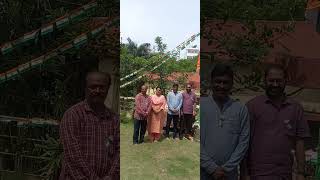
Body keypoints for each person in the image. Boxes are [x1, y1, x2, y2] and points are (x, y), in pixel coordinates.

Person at [241, 64, 311, 180]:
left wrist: (301, 172)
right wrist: (245, 173)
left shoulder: (295, 108)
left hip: (284, 174)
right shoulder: (253, 106)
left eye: (278, 81)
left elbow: (300, 142)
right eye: (271, 80)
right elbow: (244, 142)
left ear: (285, 81)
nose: (275, 84)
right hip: (257, 174)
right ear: (265, 81)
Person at [59, 71, 119, 180]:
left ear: (108, 89)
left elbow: (119, 153)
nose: (97, 91)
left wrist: (110, 176)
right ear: (85, 88)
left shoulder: (114, 120)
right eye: (93, 87)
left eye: (102, 87)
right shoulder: (73, 115)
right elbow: (73, 156)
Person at [201, 63, 250, 180]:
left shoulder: (240, 109)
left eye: (225, 82)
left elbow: (243, 142)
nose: (221, 86)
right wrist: (211, 168)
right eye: (218, 81)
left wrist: (226, 168)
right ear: (211, 82)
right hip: (202, 172)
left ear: (232, 84)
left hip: (228, 175)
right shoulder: (201, 105)